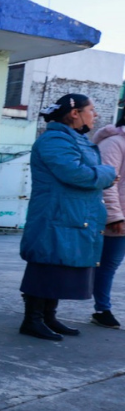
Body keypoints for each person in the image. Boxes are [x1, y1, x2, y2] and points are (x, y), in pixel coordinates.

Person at [18, 94, 116, 341]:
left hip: (70, 212)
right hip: (55, 214)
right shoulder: (54, 140)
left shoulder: (72, 139)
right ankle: (32, 320)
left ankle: (48, 317)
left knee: (59, 265)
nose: (95, 115)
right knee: (46, 263)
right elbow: (74, 173)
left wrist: (100, 174)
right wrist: (107, 173)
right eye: (91, 110)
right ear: (74, 113)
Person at [91, 114, 125, 329]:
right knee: (107, 265)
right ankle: (102, 309)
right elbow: (107, 182)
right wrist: (114, 216)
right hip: (118, 217)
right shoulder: (114, 142)